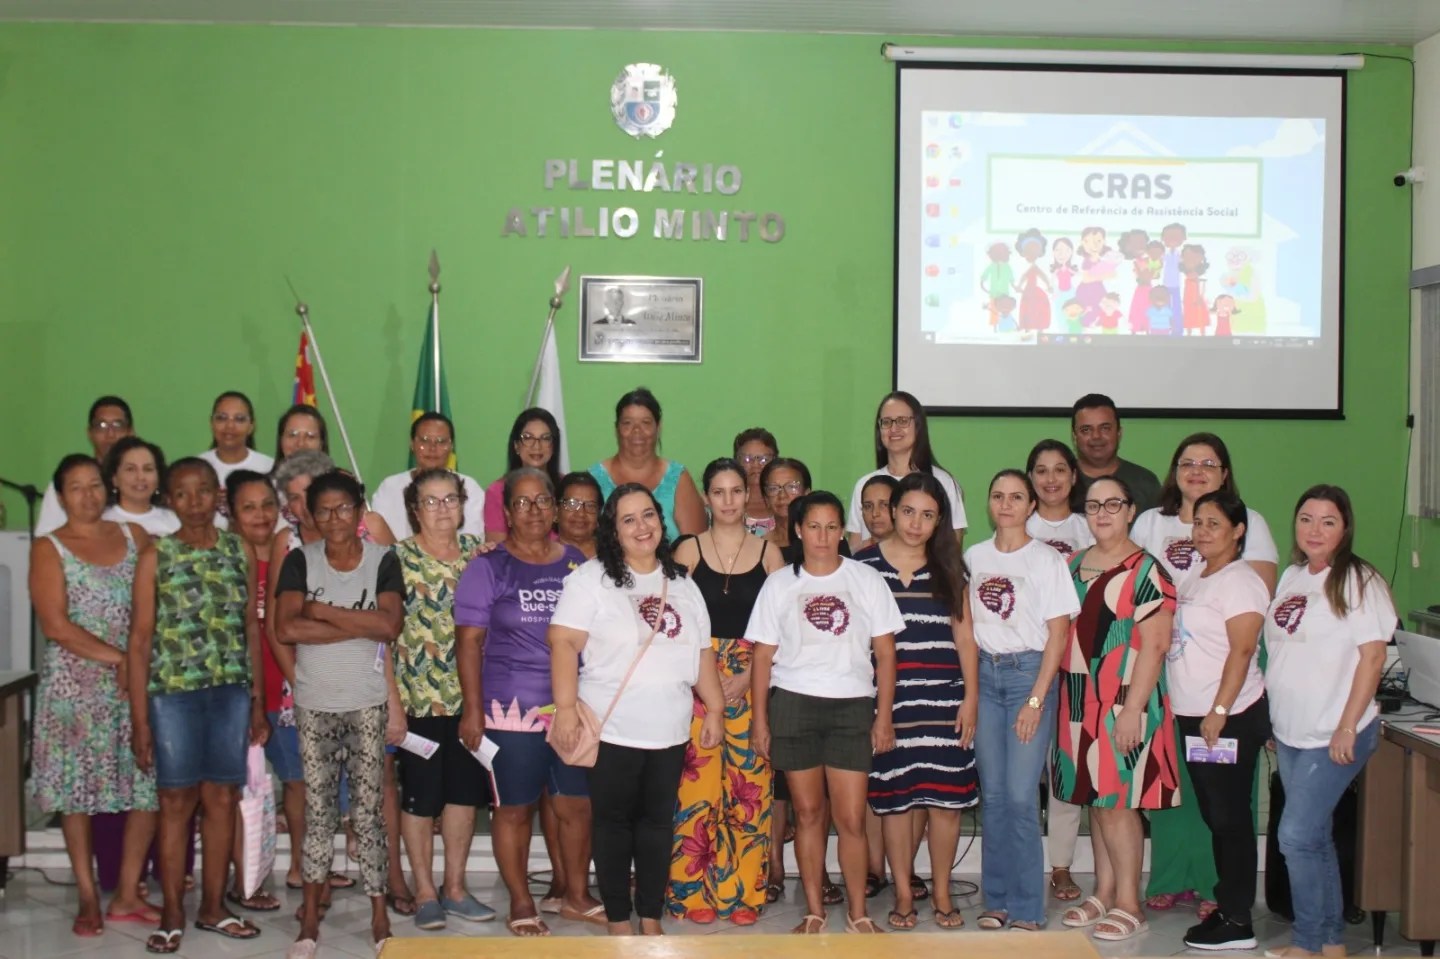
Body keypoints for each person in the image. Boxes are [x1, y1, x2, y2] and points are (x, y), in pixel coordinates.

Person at [548, 484, 723, 936]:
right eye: (629, 519)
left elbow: (701, 652)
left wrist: (717, 709)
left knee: (657, 825)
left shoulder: (683, 583)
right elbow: (563, 642)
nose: (641, 526)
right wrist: (565, 709)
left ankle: (649, 915)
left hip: (669, 728)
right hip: (612, 730)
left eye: (648, 515)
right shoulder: (592, 579)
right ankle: (618, 919)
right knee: (612, 825)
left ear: (661, 522)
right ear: (614, 529)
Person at [1132, 432, 1278, 917]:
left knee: (1226, 803)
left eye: (1209, 463)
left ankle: (1224, 891)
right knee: (1177, 786)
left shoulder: (1249, 525)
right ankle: (1173, 876)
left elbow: (1246, 623)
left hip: (1225, 693)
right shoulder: (1154, 523)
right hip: (1174, 681)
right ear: (1174, 470)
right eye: (1187, 462)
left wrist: (1221, 705)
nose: (1196, 471)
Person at [127, 458, 268, 955]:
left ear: (218, 497)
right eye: (181, 494)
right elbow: (140, 640)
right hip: (173, 696)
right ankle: (171, 914)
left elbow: (251, 626)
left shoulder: (239, 550)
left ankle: (212, 908)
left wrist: (258, 702)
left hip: (230, 693)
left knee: (222, 800)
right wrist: (140, 719)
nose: (193, 502)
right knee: (175, 802)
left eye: (203, 491)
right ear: (169, 499)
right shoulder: (156, 556)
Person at [748, 491, 902, 935]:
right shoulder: (779, 584)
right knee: (809, 813)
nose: (823, 536)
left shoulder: (866, 580)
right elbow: (762, 657)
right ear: (798, 530)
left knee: (851, 818)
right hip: (793, 704)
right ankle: (814, 910)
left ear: (842, 530)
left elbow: (886, 655)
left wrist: (883, 716)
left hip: (852, 706)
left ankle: (858, 912)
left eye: (832, 526)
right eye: (813, 526)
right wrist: (760, 720)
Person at [456, 468, 597, 935]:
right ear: (508, 511)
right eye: (522, 502)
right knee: (514, 808)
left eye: (542, 501)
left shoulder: (576, 561)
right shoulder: (487, 566)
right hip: (507, 710)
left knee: (575, 806)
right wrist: (473, 711)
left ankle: (576, 895)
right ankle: (521, 901)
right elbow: (469, 643)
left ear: (555, 508)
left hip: (570, 709)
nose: (534, 511)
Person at [273, 470, 403, 958]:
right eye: (323, 510)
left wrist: (322, 612)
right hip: (314, 703)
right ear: (310, 513)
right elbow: (286, 629)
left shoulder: (383, 560)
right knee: (318, 813)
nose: (334, 519)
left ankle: (379, 914)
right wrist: (357, 625)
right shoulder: (298, 562)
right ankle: (308, 921)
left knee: (368, 814)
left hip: (367, 702)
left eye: (343, 508)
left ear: (358, 509)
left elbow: (389, 625)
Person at [30, 455, 159, 938]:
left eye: (93, 485)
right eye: (75, 488)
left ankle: (127, 891)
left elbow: (154, 607)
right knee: (75, 793)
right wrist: (120, 659)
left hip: (134, 687)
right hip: (74, 689)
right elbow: (56, 625)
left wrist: (137, 661)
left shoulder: (135, 538)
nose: (87, 495)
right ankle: (88, 893)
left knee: (146, 784)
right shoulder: (49, 548)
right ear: (61, 497)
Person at [1263, 485, 1392, 959]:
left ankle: (1307, 943)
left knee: (1295, 836)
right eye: (1306, 518)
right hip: (1294, 733)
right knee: (1312, 838)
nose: (1315, 529)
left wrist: (1346, 725)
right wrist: (1277, 725)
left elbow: (1373, 656)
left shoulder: (1358, 579)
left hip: (1337, 734)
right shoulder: (1293, 577)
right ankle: (1330, 944)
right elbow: (1283, 652)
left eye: (1328, 521)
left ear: (1345, 528)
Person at [1055, 476, 1179, 944]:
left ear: (1131, 510)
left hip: (1125, 700)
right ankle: (1104, 891)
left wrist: (1132, 708)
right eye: (1093, 505)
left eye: (1113, 503)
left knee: (1120, 802)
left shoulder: (1147, 569)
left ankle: (1131, 901)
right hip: (1077, 701)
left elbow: (1156, 644)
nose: (1103, 512)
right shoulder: (1070, 565)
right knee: (1096, 798)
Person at [667, 458, 784, 925]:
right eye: (719, 492)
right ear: (708, 499)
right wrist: (709, 679)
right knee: (696, 792)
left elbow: (779, 629)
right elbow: (674, 626)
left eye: (737, 491)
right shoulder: (686, 551)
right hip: (698, 677)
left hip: (753, 678)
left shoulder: (770, 553)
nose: (729, 501)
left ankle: (741, 895)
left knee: (748, 791)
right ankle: (692, 894)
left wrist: (751, 674)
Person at [859, 472, 979, 930]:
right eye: (908, 511)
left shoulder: (951, 567)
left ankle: (944, 894)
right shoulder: (864, 566)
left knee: (946, 803)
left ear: (939, 522)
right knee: (896, 800)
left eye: (928, 515)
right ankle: (904, 893)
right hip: (888, 705)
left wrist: (970, 698)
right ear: (891, 512)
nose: (915, 523)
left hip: (944, 702)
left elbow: (965, 637)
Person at [965, 470, 1079, 931]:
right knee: (992, 796)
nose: (1007, 504)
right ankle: (996, 900)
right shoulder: (974, 557)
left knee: (1020, 795)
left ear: (1031, 505)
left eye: (1017, 497)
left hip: (1028, 676)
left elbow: (1058, 634)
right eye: (998, 496)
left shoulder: (1047, 560)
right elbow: (966, 629)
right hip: (986, 676)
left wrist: (1036, 700)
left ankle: (1029, 905)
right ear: (988, 503)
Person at [391, 469, 495, 931]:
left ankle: (454, 887)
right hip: (417, 702)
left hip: (470, 699)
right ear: (415, 508)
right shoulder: (395, 559)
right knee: (420, 798)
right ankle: (425, 891)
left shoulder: (481, 554)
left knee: (463, 796)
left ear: (463, 503)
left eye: (449, 499)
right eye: (430, 501)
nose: (441, 509)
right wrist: (391, 702)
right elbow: (382, 638)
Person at [1169, 490, 1270, 951]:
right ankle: (1227, 908)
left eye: (1214, 524)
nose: (1203, 532)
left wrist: (1220, 711)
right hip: (1194, 715)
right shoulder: (1197, 575)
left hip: (1227, 717)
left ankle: (1238, 921)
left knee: (1230, 818)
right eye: (1199, 523)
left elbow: (1243, 650)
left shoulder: (1240, 581)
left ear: (1238, 531)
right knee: (1215, 814)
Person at [1025, 439, 1091, 902]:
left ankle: (1062, 865)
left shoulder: (1091, 528)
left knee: (1065, 768)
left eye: (1059, 471)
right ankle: (1022, 861)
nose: (1051, 479)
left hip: (1077, 663)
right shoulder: (1016, 525)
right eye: (1041, 471)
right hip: (1024, 665)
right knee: (1023, 774)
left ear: (1073, 476)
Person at [218, 470, 285, 913]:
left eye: (267, 504)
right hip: (242, 694)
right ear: (230, 512)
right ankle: (238, 881)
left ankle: (266, 874)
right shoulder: (225, 561)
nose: (260, 515)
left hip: (288, 691)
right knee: (238, 792)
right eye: (248, 506)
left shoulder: (289, 557)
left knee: (277, 791)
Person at [847, 391, 967, 552]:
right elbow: (855, 550)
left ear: (918, 426)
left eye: (902, 421)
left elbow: (953, 551)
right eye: (887, 422)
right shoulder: (865, 484)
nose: (894, 428)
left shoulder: (944, 482)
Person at [588, 388, 705, 542]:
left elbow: (696, 548)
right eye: (627, 423)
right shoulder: (594, 479)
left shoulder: (678, 479)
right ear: (617, 428)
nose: (637, 430)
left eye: (646, 423)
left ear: (658, 426)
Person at [372, 412, 485, 542]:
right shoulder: (390, 487)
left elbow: (474, 538)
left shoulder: (469, 487)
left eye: (441, 441)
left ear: (451, 446)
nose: (432, 448)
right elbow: (378, 539)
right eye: (425, 440)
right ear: (412, 444)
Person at [36, 395, 135, 536]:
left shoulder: (144, 482)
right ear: (90, 433)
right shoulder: (68, 481)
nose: (110, 434)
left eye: (118, 425)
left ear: (130, 432)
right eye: (101, 426)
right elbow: (46, 538)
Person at [1069, 394, 1161, 514]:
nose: (1096, 436)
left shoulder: (1145, 483)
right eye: (1086, 430)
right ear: (1074, 437)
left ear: (1119, 433)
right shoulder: (1058, 483)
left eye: (1105, 428)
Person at [484, 408, 564, 543]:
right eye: (527, 438)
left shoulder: (566, 486)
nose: (536, 446)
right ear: (516, 445)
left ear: (553, 446)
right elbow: (497, 549)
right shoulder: (497, 491)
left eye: (545, 438)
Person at [200, 391, 274, 497]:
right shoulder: (196, 469)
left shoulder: (268, 468)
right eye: (222, 418)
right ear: (211, 423)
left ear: (251, 426)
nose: (230, 426)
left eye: (239, 419)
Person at [102, 436, 179, 536]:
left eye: (148, 469)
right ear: (114, 478)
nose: (140, 477)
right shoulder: (102, 521)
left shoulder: (175, 520)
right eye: (130, 469)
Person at [732, 427, 779, 536]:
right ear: (736, 462)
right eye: (747, 459)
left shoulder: (785, 503)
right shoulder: (725, 504)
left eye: (764, 459)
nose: (756, 465)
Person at [556, 471, 602, 560]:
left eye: (590, 505)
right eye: (572, 504)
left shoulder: (614, 556)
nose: (581, 514)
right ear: (556, 511)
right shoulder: (543, 559)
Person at [856, 474, 898, 550]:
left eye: (884, 505)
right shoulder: (856, 558)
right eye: (868, 506)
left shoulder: (917, 556)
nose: (875, 513)